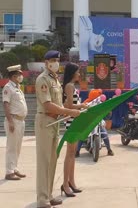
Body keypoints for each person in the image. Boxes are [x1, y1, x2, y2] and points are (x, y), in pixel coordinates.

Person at [35, 50, 80, 208]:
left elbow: (59, 104)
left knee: (53, 161)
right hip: (45, 121)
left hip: (55, 122)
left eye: (57, 60)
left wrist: (67, 112)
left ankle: (49, 195)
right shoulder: (42, 79)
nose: (56, 63)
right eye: (53, 60)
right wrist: (69, 112)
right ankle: (42, 199)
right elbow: (48, 105)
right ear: (46, 62)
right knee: (44, 161)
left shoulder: (55, 80)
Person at [61, 63, 88, 197]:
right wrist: (82, 105)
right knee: (70, 153)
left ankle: (71, 181)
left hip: (74, 121)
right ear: (72, 73)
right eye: (77, 72)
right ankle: (66, 184)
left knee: (72, 154)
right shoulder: (70, 86)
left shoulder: (71, 86)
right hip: (71, 123)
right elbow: (70, 105)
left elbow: (67, 104)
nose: (79, 74)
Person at [2, 65, 28, 180]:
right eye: (19, 75)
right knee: (12, 147)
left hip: (20, 120)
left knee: (17, 146)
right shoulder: (8, 87)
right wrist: (10, 121)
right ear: (14, 76)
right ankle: (9, 171)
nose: (21, 77)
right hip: (13, 120)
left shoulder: (17, 87)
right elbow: (6, 105)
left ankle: (14, 168)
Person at [75, 89, 114, 157]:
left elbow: (106, 111)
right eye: (97, 95)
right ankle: (77, 151)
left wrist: (108, 111)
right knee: (82, 135)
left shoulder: (100, 103)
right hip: (88, 123)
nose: (98, 96)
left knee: (105, 135)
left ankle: (109, 150)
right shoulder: (86, 103)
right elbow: (80, 111)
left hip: (98, 122)